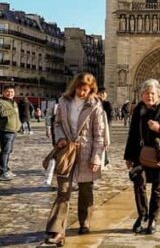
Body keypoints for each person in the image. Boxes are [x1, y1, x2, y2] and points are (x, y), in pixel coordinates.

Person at [44, 73, 107, 245]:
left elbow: (99, 135)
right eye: (79, 89)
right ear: (75, 86)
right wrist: (60, 138)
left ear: (91, 90)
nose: (82, 93)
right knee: (63, 190)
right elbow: (57, 123)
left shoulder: (95, 106)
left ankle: (84, 221)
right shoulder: (64, 102)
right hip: (67, 152)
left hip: (86, 152)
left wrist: (96, 158)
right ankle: (56, 231)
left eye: (86, 90)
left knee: (86, 190)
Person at [124, 79, 160, 236]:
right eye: (146, 93)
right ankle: (142, 214)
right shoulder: (138, 110)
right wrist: (128, 157)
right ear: (141, 95)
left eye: (152, 93)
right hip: (140, 154)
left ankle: (153, 220)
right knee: (138, 184)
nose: (149, 96)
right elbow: (132, 135)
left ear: (158, 94)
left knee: (157, 189)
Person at [0, 85, 20, 180]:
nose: (10, 93)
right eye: (7, 91)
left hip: (13, 130)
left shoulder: (14, 102)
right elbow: (0, 113)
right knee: (5, 151)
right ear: (3, 92)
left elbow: (16, 117)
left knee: (9, 151)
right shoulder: (0, 102)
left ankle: (7, 169)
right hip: (5, 130)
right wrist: (13, 110)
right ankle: (3, 172)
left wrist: (19, 126)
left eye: (12, 92)